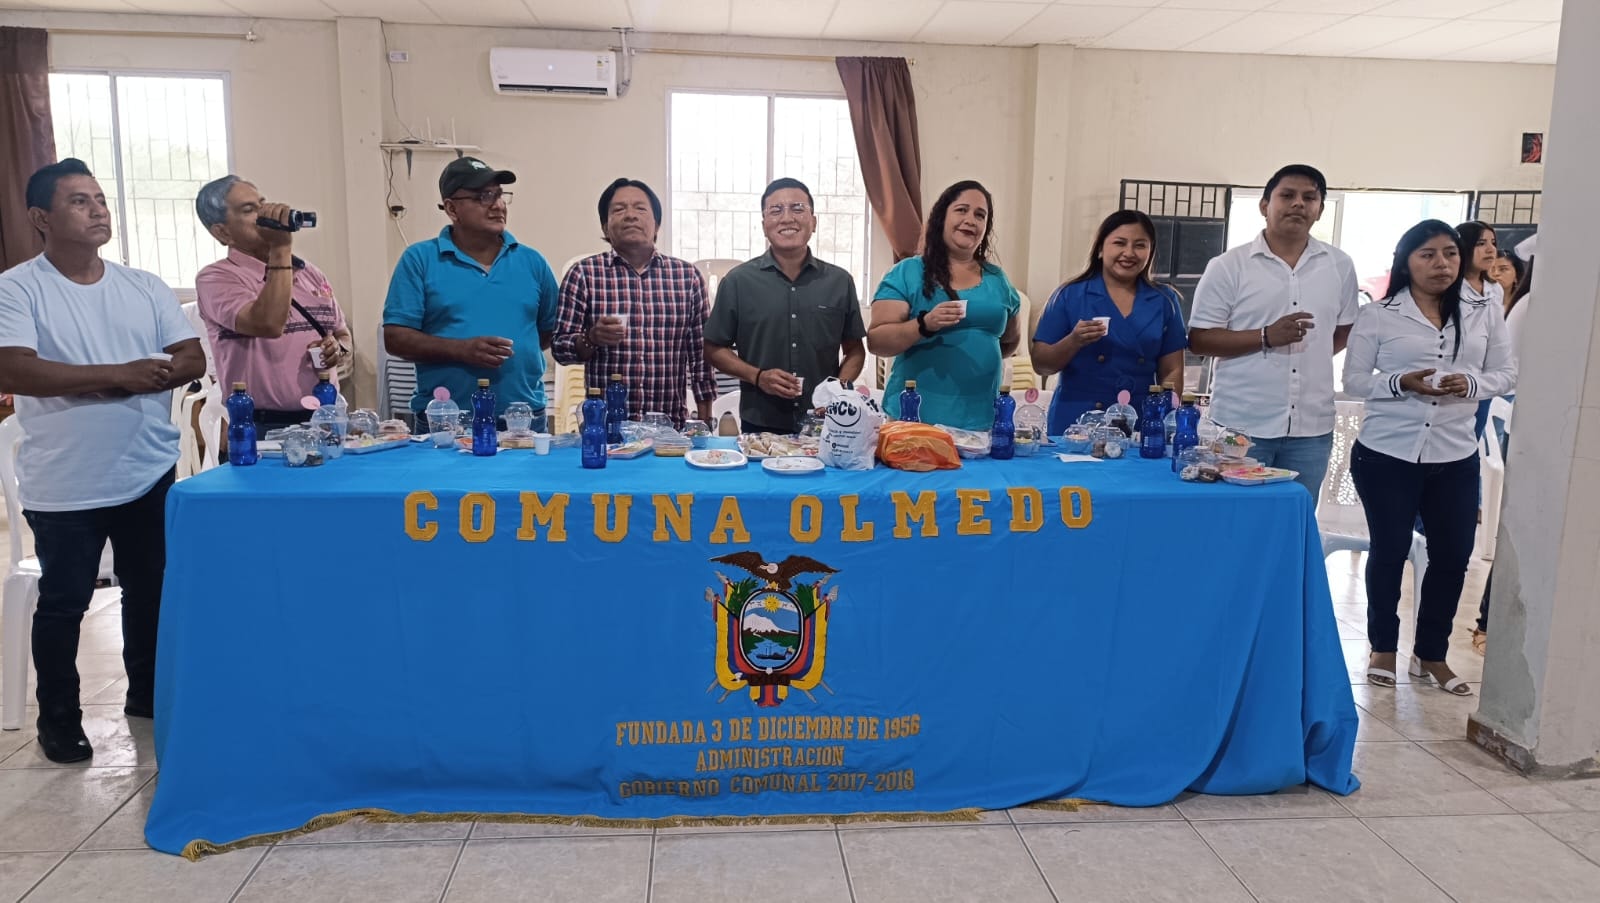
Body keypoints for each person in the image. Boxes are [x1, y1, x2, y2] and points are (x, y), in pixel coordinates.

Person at [0, 159, 205, 762]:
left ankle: (147, 695)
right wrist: (120, 376)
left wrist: (145, 375)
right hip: (67, 480)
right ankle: (59, 718)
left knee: (150, 590)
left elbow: (190, 357)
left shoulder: (142, 285)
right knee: (65, 602)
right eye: (79, 201)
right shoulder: (18, 288)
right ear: (41, 218)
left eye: (100, 199)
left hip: (146, 467)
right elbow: (17, 369)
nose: (98, 210)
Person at [1342, 220, 1515, 695]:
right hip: (1387, 453)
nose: (1442, 264)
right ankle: (1382, 646)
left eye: (1450, 254)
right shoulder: (1379, 315)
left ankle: (1431, 654)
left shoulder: (1484, 311)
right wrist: (1401, 382)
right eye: (1428, 255)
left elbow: (1506, 372)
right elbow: (1354, 381)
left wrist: (1472, 384)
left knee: (1453, 555)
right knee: (1390, 549)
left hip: (1455, 454)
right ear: (1406, 262)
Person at [1189, 164, 1359, 497]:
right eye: (1287, 195)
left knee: (1296, 516)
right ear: (1264, 205)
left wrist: (1309, 357)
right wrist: (1265, 336)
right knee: (1236, 518)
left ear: (1320, 210)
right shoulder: (1228, 266)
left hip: (1312, 429)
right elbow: (1200, 339)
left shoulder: (1339, 265)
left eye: (1309, 198)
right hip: (1241, 426)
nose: (1299, 204)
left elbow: (1343, 330)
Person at [383, 157, 558, 429]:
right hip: (446, 423)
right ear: (452, 208)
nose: (497, 205)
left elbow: (548, 331)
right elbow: (395, 339)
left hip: (524, 421)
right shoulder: (420, 260)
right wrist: (460, 350)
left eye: (499, 195)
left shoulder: (532, 262)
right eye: (483, 196)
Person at [704, 178, 866, 434]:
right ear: (764, 225)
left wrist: (837, 389)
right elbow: (713, 349)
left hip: (826, 424)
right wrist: (758, 376)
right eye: (776, 210)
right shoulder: (738, 282)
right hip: (761, 426)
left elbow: (855, 350)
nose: (787, 218)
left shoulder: (839, 281)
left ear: (814, 222)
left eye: (798, 208)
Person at [552, 178, 715, 428]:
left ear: (656, 224)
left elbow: (701, 355)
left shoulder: (687, 277)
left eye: (640, 208)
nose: (630, 215)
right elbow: (560, 348)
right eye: (619, 209)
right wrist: (591, 338)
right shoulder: (583, 274)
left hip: (668, 430)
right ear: (605, 227)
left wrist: (704, 424)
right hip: (606, 430)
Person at [194, 175, 352, 433]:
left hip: (326, 418)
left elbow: (342, 334)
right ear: (222, 232)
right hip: (263, 426)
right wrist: (280, 248)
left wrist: (338, 349)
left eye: (262, 204)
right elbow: (267, 324)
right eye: (249, 210)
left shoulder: (310, 273)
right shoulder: (217, 278)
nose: (265, 214)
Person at [867, 180, 1021, 430]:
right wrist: (924, 324)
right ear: (941, 218)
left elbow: (1010, 340)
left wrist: (977, 358)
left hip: (981, 422)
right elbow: (877, 341)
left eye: (980, 215)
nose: (970, 220)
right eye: (961, 210)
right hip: (916, 421)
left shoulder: (998, 279)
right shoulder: (907, 272)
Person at [1031, 210, 1186, 435]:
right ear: (1101, 249)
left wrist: (1166, 414)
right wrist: (1073, 341)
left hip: (1140, 417)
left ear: (1150, 251)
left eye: (1140, 245)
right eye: (1119, 243)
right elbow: (1041, 364)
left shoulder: (1164, 300)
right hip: (1077, 418)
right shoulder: (1070, 295)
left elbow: (1172, 369)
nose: (1129, 253)